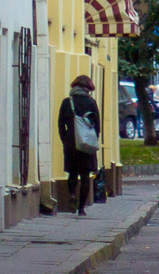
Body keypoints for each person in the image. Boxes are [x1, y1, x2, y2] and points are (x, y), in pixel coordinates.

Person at [56, 74, 102, 216]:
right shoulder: (91, 103)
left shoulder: (66, 102)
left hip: (71, 141)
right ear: (88, 88)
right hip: (86, 142)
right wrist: (92, 139)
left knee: (72, 172)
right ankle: (81, 208)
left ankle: (72, 195)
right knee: (85, 175)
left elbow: (60, 124)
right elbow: (97, 126)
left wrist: (65, 139)